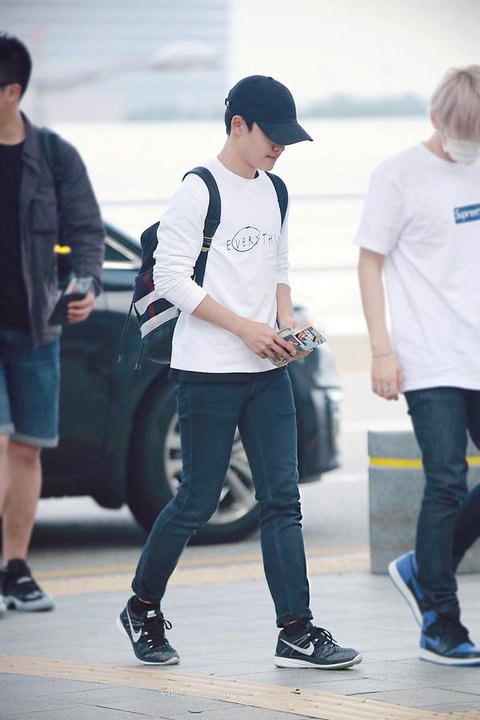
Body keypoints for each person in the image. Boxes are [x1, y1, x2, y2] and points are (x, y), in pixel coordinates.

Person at [117, 75, 362, 670]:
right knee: (197, 501)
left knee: (283, 500)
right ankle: (142, 606)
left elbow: (278, 265)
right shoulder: (198, 189)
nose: (280, 147)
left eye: (287, 138)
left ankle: (296, 630)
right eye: (271, 135)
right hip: (206, 371)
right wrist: (244, 329)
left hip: (267, 371)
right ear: (237, 125)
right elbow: (172, 278)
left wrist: (284, 324)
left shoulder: (275, 190)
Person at [356, 65, 480, 666]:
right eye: (463, 134)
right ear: (437, 119)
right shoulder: (398, 175)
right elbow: (369, 262)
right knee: (447, 479)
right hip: (430, 357)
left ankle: (422, 568)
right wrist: (382, 350)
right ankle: (440, 621)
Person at [0, 33, 105, 615]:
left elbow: (86, 229)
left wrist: (84, 284)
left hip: (36, 328)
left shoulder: (55, 156)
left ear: (12, 92)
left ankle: (15, 569)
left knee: (27, 451)